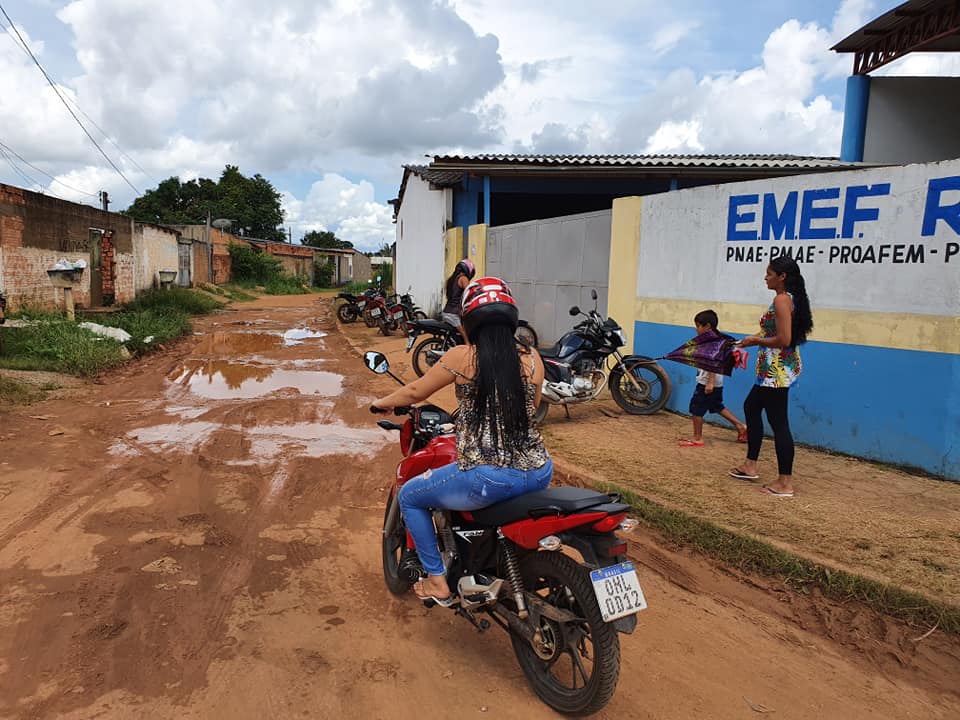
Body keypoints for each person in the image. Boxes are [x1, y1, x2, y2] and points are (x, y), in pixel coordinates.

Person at [372, 276, 551, 604]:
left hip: (488, 477)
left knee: (411, 495)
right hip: (540, 470)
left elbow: (415, 392)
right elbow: (533, 407)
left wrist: (382, 402)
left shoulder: (463, 357)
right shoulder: (532, 358)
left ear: (468, 322)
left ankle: (437, 581)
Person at [729, 256, 813, 497]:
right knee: (751, 407)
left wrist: (756, 341)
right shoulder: (789, 299)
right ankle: (750, 465)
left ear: (782, 276)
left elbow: (784, 339)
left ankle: (784, 483)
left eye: (769, 273)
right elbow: (774, 332)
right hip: (772, 368)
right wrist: (749, 340)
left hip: (775, 370)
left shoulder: (781, 300)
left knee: (779, 423)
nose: (765, 277)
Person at [678, 309, 747, 447]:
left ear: (707, 326)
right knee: (716, 405)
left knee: (696, 409)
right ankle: (741, 427)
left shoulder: (711, 342)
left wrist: (709, 383)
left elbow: (713, 363)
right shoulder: (717, 339)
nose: (696, 329)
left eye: (698, 326)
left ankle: (697, 438)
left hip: (707, 383)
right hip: (717, 382)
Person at [441, 258, 476, 329]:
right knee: (466, 332)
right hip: (454, 314)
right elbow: (469, 292)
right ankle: (467, 341)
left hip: (447, 311)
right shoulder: (463, 279)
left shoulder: (452, 279)